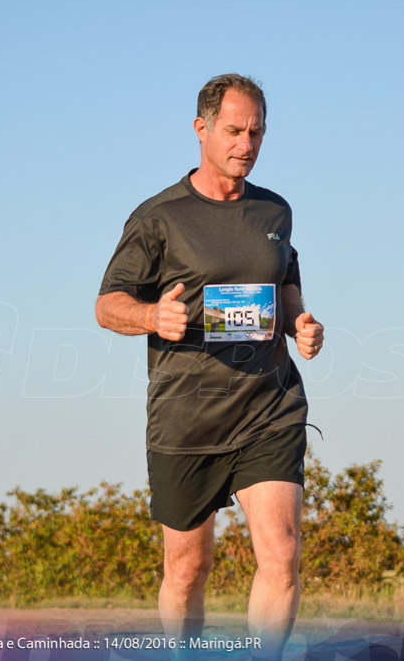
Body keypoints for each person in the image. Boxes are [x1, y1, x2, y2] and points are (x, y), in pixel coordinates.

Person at [95, 73, 324, 657]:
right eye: (234, 130)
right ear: (201, 128)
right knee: (187, 569)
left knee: (281, 550)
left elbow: (286, 275)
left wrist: (300, 320)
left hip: (268, 405)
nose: (246, 143)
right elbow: (107, 304)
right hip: (186, 415)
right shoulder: (159, 218)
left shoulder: (276, 210)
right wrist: (150, 318)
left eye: (257, 132)